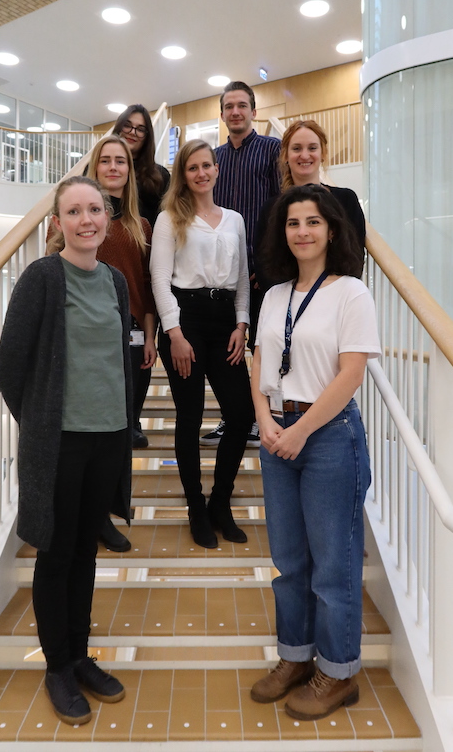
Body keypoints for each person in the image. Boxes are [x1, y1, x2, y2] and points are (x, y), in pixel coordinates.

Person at [0, 176, 132, 726]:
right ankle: (57, 665)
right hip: (59, 442)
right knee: (56, 553)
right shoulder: (42, 278)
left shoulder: (117, 282)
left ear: (107, 217)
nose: (86, 220)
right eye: (73, 211)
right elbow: (9, 365)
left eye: (94, 209)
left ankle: (80, 654)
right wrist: (40, 425)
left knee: (86, 551)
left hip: (106, 438)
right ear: (58, 223)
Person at [250, 185, 380, 720]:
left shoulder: (351, 292)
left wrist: (300, 429)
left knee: (333, 564)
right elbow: (258, 365)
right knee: (289, 562)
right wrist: (265, 422)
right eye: (293, 222)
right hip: (277, 432)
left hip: (327, 436)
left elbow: (351, 373)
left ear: (331, 230)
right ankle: (296, 657)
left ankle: (338, 671)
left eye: (312, 222)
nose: (301, 231)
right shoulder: (275, 293)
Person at [150, 139, 255, 548]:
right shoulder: (168, 218)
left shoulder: (234, 219)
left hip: (225, 320)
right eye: (192, 168)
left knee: (242, 413)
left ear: (216, 169)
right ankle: (196, 506)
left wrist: (242, 324)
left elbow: (243, 278)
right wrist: (173, 333)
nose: (201, 173)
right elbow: (160, 278)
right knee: (190, 416)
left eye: (207, 165)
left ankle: (220, 503)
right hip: (185, 321)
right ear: (184, 174)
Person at [86, 134, 157, 552]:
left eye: (121, 162)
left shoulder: (141, 225)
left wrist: (150, 337)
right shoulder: (82, 216)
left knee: (122, 432)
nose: (113, 167)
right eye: (106, 161)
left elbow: (145, 288)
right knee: (95, 433)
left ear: (130, 172)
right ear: (95, 168)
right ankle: (91, 515)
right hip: (90, 336)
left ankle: (109, 515)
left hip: (131, 336)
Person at [201, 80, 281, 446]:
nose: (235, 112)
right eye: (229, 106)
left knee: (260, 348)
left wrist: (267, 265)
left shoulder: (272, 150)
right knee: (224, 352)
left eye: (242, 105)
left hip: (260, 273)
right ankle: (234, 417)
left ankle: (263, 419)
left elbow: (282, 211)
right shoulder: (212, 160)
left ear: (253, 111)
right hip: (221, 275)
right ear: (221, 114)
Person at [255, 119, 365, 291]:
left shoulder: (346, 200)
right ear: (285, 155)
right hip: (287, 302)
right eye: (297, 148)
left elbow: (354, 257)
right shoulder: (270, 209)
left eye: (312, 148)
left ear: (323, 154)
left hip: (335, 298)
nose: (305, 155)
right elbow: (265, 264)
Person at [112, 104, 170, 228]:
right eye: (127, 126)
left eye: (140, 129)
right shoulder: (99, 168)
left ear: (147, 136)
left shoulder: (161, 175)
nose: (132, 132)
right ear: (119, 128)